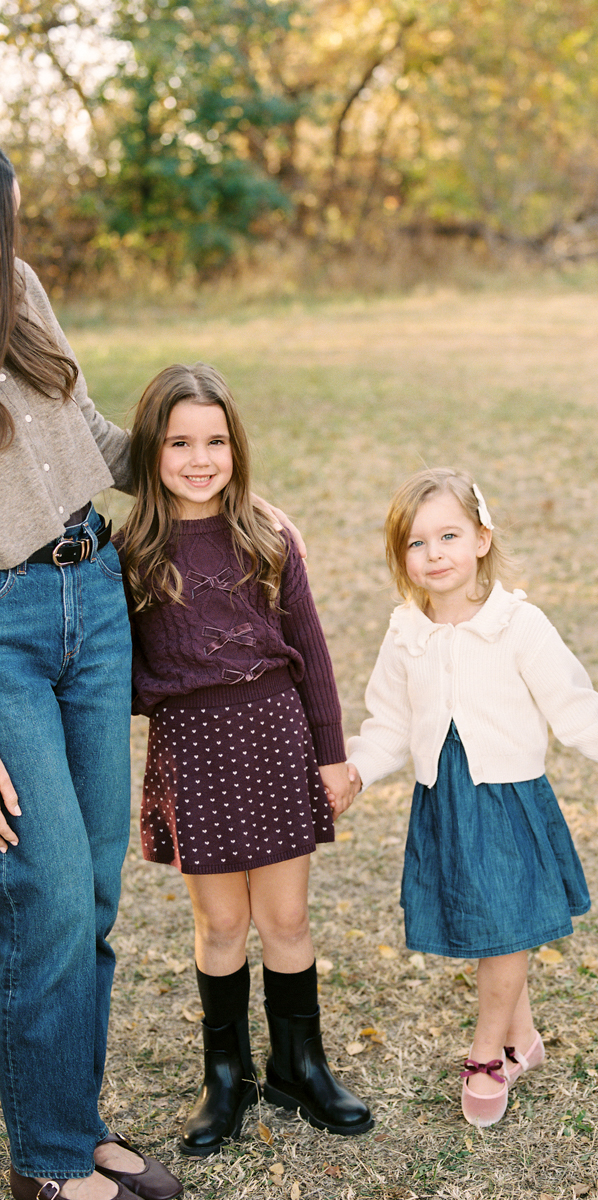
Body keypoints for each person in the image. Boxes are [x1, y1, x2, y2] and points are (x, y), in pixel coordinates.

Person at [115, 363, 373, 1156]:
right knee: (221, 922)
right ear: (150, 451)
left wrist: (331, 754)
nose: (200, 459)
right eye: (180, 442)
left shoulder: (267, 533)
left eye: (216, 441)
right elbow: (108, 669)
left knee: (286, 917)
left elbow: (313, 652)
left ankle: (300, 1062)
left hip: (273, 734)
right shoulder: (130, 550)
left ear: (237, 447)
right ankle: (225, 1074)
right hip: (193, 750)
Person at [344, 467, 598, 1128]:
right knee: (488, 925)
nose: (434, 553)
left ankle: (485, 1052)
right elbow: (387, 723)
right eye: (416, 543)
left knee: (504, 926)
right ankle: (522, 1039)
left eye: (449, 535)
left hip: (506, 799)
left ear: (481, 538)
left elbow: (570, 702)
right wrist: (357, 771)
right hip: (443, 800)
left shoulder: (517, 624)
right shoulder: (405, 632)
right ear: (402, 558)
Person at [0, 150, 184, 1200]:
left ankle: (67, 1123)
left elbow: (87, 437)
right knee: (49, 892)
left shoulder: (20, 290)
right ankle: (52, 1167)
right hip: (4, 633)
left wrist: (211, 461)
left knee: (98, 889)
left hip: (93, 595)